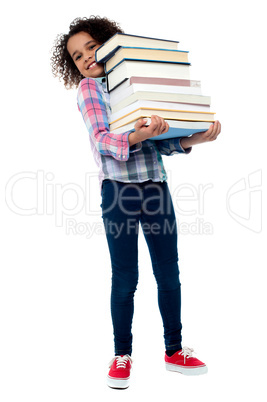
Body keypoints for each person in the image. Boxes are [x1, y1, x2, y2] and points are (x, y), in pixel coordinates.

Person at [51, 16, 221, 389]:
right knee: (126, 276)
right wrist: (135, 135)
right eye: (77, 56)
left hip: (155, 187)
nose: (86, 58)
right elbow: (102, 139)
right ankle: (122, 354)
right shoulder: (90, 89)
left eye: (92, 47)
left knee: (168, 272)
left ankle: (174, 351)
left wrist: (195, 139)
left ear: (111, 43)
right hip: (119, 192)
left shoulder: (136, 82)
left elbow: (160, 143)